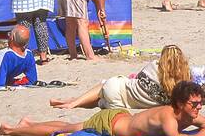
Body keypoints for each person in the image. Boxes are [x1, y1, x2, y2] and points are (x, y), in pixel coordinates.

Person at [0, 80, 205, 136]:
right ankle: (13, 130)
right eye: (194, 104)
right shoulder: (168, 116)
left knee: (68, 128)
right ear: (180, 104)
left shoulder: (188, 114)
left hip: (121, 118)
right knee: (64, 131)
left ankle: (28, 124)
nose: (198, 108)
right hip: (109, 124)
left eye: (199, 103)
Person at [51, 44, 192, 112]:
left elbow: (137, 78)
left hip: (117, 89)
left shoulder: (154, 66)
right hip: (123, 103)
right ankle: (72, 102)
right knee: (100, 100)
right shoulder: (182, 84)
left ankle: (72, 103)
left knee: (105, 85)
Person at [56, 0, 130, 61]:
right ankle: (90, 56)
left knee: (71, 23)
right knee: (82, 22)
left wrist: (102, 21)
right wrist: (103, 10)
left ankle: (73, 55)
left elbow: (96, 1)